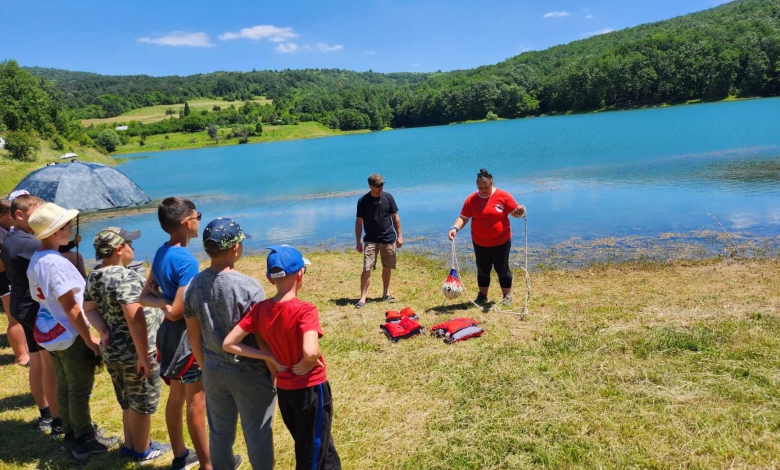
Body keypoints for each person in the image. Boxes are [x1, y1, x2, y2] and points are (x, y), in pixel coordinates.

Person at [224, 244, 341, 470]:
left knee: (317, 442)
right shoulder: (305, 310)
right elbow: (311, 350)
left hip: (286, 391)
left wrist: (267, 356)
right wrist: (308, 361)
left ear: (270, 279)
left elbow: (229, 343)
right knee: (311, 451)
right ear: (300, 274)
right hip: (310, 389)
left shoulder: (260, 310)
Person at [25, 203, 120, 459]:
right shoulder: (55, 264)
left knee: (65, 385)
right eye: (66, 226)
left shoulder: (38, 259)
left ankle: (71, 432)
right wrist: (89, 337)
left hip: (50, 331)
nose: (70, 229)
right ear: (55, 231)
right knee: (79, 387)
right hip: (70, 333)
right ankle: (85, 439)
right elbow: (72, 307)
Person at [184, 218, 279, 470]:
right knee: (257, 432)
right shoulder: (249, 286)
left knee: (220, 434)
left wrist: (205, 366)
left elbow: (193, 334)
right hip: (249, 372)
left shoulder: (194, 284)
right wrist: (272, 366)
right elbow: (261, 336)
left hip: (214, 371)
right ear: (236, 248)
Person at [83, 227, 171, 463]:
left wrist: (102, 329)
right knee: (142, 403)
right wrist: (144, 356)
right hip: (135, 353)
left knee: (128, 401)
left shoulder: (95, 274)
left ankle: (131, 445)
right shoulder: (125, 277)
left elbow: (88, 309)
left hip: (113, 352)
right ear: (119, 248)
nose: (133, 248)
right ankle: (143, 451)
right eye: (130, 244)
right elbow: (134, 317)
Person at [140, 196, 210, 470]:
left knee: (177, 396)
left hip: (167, 335)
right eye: (197, 217)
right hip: (186, 338)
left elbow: (145, 295)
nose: (199, 221)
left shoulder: (161, 252)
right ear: (186, 222)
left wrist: (164, 304)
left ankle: (181, 454)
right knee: (196, 399)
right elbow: (179, 311)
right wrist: (170, 307)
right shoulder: (187, 261)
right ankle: (208, 462)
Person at [0, 194, 61, 433]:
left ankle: (46, 414)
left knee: (37, 362)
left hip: (21, 303)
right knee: (48, 364)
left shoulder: (14, 238)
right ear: (19, 215)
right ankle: (58, 420)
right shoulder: (29, 243)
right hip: (33, 307)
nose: (42, 218)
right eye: (37, 213)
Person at [447, 168, 526, 306]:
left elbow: (516, 214)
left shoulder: (503, 196)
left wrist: (520, 211)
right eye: (480, 187)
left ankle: (506, 296)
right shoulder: (471, 199)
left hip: (501, 241)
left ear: (492, 184)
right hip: (480, 242)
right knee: (483, 269)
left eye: (486, 187)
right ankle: (482, 296)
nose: (483, 189)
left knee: (502, 268)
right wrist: (455, 228)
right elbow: (463, 217)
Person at [354, 173, 403, 308]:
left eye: (382, 184)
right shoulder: (363, 201)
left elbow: (395, 218)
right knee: (367, 268)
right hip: (370, 240)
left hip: (388, 239)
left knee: (387, 267)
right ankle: (362, 298)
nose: (380, 187)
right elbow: (359, 222)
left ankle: (385, 293)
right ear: (370, 186)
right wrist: (358, 242)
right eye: (377, 185)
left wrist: (400, 236)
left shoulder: (388, 197)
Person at [0, 198, 30, 366]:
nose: (13, 217)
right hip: (5, 279)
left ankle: (25, 351)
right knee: (14, 318)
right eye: (9, 214)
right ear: (1, 216)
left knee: (19, 316)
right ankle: (21, 356)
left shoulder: (6, 229)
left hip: (11, 277)